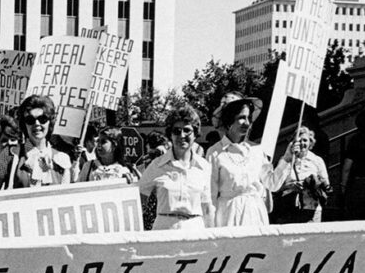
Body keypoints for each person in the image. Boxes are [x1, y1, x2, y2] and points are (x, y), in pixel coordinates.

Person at [138, 105, 214, 231]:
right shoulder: (157, 165)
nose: (182, 135)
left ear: (195, 133)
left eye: (187, 130)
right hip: (164, 230)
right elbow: (138, 198)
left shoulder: (204, 166)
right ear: (170, 134)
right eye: (176, 131)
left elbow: (206, 208)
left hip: (195, 230)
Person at [208, 97, 272, 227]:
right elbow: (210, 195)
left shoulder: (257, 151)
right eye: (242, 118)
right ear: (229, 120)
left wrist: (286, 159)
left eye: (249, 118)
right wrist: (210, 226)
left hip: (255, 214)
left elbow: (271, 184)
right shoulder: (215, 152)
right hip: (228, 214)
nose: (247, 123)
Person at [268, 126, 332, 224]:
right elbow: (274, 187)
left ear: (310, 142)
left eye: (305, 140)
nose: (302, 143)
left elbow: (326, 185)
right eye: (299, 140)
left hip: (311, 209)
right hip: (289, 208)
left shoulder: (317, 160)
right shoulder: (286, 160)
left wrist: (314, 183)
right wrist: (290, 186)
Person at [12, 94, 73, 187]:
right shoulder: (11, 155)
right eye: (30, 120)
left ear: (50, 122)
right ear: (24, 124)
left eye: (42, 119)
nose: (37, 123)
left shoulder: (62, 160)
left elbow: (66, 194)